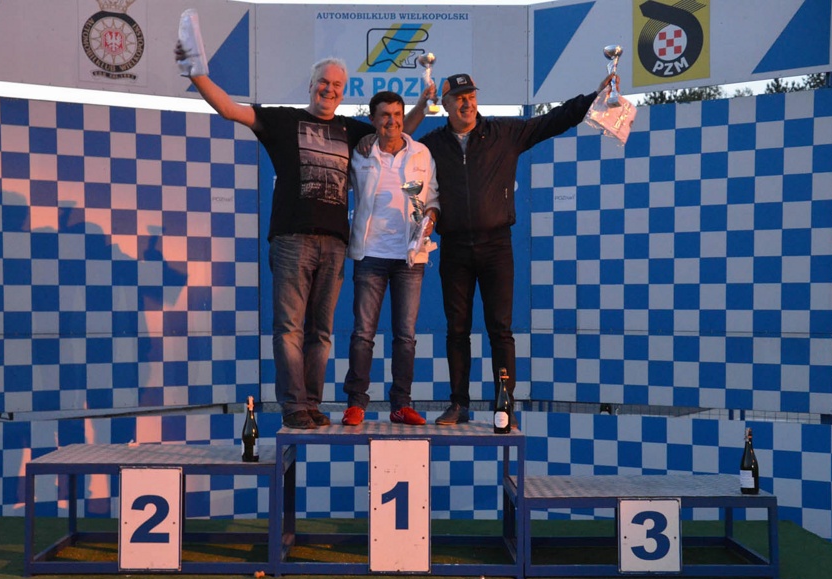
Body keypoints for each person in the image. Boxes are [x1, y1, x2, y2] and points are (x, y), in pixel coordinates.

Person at [174, 41, 432, 429]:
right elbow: (229, 109)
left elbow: (395, 131)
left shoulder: (351, 130)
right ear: (311, 85)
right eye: (323, 82)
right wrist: (196, 74)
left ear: (344, 93)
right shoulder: (283, 121)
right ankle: (294, 406)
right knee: (290, 329)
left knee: (321, 333)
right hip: (292, 241)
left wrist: (422, 104)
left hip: (335, 244)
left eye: (337, 86)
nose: (329, 89)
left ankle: (311, 404)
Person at [418, 72, 613, 425]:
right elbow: (397, 151)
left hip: (496, 246)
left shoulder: (504, 132)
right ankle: (459, 404)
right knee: (457, 330)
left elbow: (553, 120)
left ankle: (504, 406)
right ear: (444, 105)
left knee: (500, 330)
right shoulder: (430, 145)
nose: (467, 103)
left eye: (471, 96)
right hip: (454, 247)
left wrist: (593, 97)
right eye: (458, 98)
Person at [341, 91, 439, 427]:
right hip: (370, 254)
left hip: (410, 257)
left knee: (406, 336)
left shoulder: (421, 153)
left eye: (397, 115)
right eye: (384, 115)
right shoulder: (360, 154)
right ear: (372, 119)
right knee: (363, 334)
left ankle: (401, 404)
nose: (392, 121)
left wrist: (431, 218)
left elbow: (433, 198)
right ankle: (356, 403)